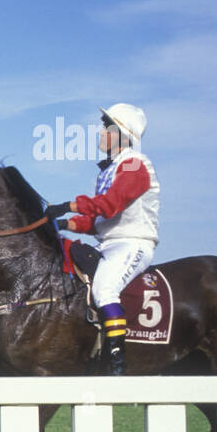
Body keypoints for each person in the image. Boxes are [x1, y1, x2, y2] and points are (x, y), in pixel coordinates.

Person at [44, 103, 159, 375]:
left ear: (121, 134)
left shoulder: (134, 165)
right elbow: (96, 222)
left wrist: (67, 205)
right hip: (108, 243)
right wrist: (61, 223)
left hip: (133, 243)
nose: (100, 133)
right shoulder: (108, 170)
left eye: (106, 128)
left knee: (104, 290)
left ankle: (117, 361)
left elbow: (110, 205)